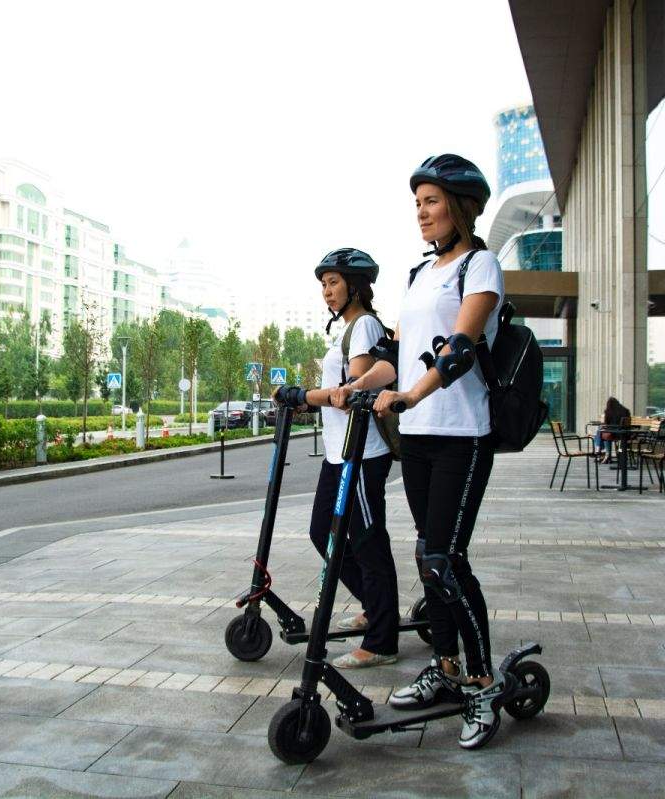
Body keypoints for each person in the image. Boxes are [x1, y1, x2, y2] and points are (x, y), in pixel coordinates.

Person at [341, 153, 506, 749]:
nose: (422, 213)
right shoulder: (418, 275)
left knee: (446, 560)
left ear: (460, 207)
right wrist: (360, 387)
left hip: (462, 433)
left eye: (432, 202)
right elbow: (396, 354)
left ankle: (483, 682)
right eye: (417, 204)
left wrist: (411, 394)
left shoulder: (481, 265)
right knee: (425, 558)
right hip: (419, 435)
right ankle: (447, 665)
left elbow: (460, 347)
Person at [276, 248, 400, 669]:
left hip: (362, 454)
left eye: (333, 283)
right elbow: (335, 394)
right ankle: (374, 604)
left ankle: (382, 639)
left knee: (368, 540)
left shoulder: (363, 326)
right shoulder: (346, 330)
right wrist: (307, 401)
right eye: (323, 285)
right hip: (339, 453)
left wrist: (304, 396)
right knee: (320, 531)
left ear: (355, 285)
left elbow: (350, 395)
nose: (327, 292)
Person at [594, 396, 630, 462]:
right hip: (624, 433)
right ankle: (601, 452)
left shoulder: (608, 411)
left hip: (613, 434)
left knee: (601, 431)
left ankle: (602, 452)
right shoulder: (626, 410)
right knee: (602, 431)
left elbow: (606, 423)